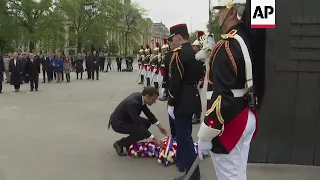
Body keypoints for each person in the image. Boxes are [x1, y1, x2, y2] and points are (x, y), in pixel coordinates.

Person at [197, 1, 258, 180]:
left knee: (229, 176)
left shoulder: (227, 44)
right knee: (239, 174)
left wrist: (207, 133)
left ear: (232, 12)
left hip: (229, 121)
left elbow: (221, 97)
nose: (218, 15)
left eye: (221, 10)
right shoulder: (246, 36)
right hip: (245, 113)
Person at [167, 24, 205, 180]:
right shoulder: (194, 53)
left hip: (182, 99)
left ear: (178, 37)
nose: (172, 42)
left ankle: (192, 175)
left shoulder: (179, 54)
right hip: (192, 97)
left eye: (172, 39)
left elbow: (175, 81)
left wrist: (170, 101)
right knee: (185, 135)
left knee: (184, 137)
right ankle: (183, 165)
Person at [108, 87, 168, 156]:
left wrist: (160, 126)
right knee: (141, 131)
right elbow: (138, 123)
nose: (154, 102)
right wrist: (155, 139)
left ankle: (128, 142)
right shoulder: (133, 103)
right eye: (153, 100)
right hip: (118, 123)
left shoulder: (141, 97)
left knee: (147, 124)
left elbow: (148, 113)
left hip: (127, 119)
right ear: (147, 96)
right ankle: (120, 143)